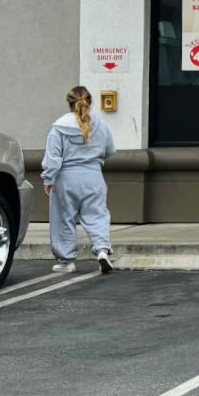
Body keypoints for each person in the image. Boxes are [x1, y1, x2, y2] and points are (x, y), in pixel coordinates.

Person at [44, 86, 117, 274]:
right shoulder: (100, 125)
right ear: (89, 103)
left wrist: (48, 178)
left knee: (63, 218)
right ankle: (102, 250)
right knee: (97, 215)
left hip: (65, 178)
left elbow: (53, 157)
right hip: (93, 176)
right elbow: (110, 150)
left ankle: (66, 261)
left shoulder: (59, 127)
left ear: (69, 102)